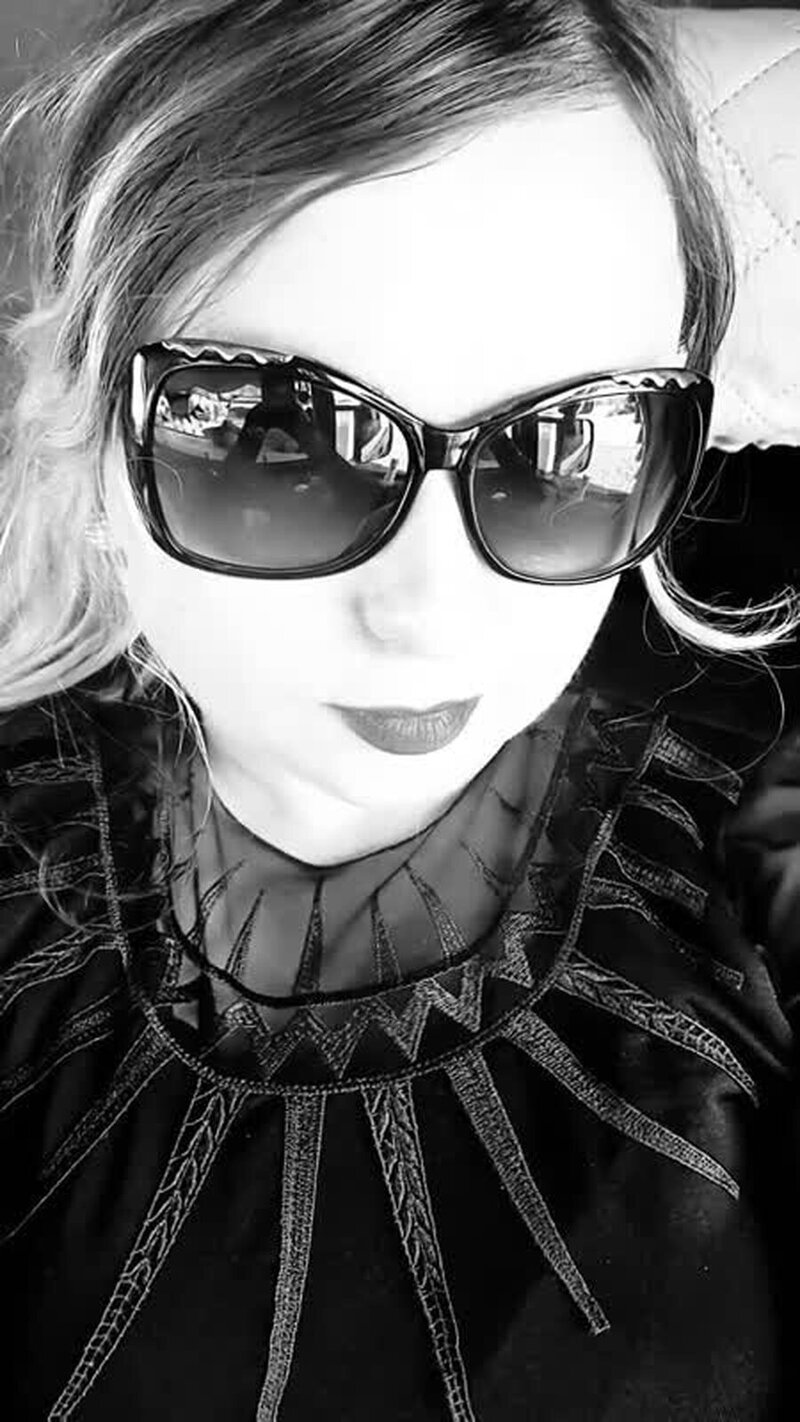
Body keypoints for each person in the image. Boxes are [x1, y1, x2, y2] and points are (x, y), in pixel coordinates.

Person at [0, 2, 799, 1418]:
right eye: (275, 440)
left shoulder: (751, 810)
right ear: (88, 445)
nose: (430, 611)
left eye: (570, 444)